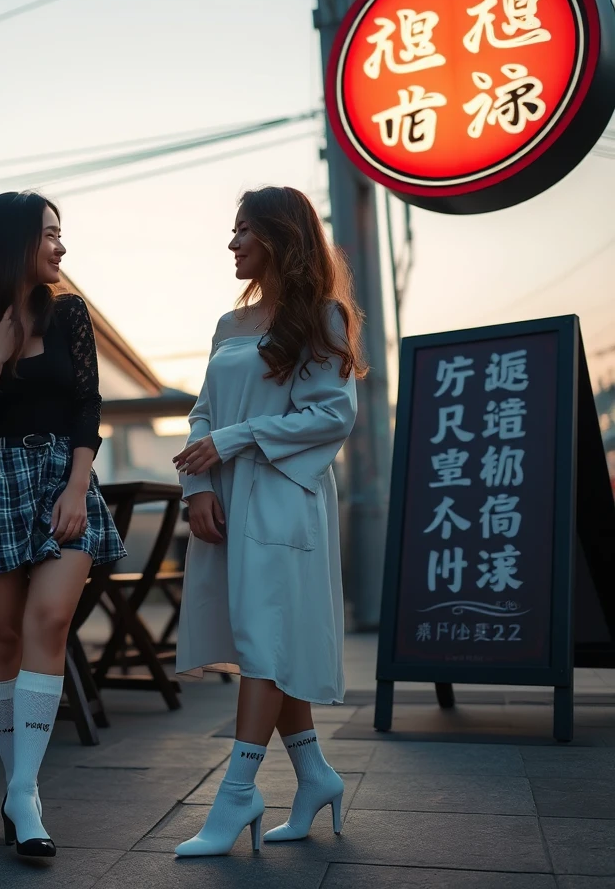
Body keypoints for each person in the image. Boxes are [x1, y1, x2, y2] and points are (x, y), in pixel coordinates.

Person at [170, 186, 365, 857]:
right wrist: (197, 484)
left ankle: (236, 795)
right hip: (225, 501)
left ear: (280, 237)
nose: (233, 243)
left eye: (244, 230)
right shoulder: (231, 325)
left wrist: (237, 439)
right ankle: (314, 777)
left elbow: (332, 414)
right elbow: (202, 413)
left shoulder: (323, 317)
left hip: (283, 497)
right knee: (266, 640)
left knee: (263, 639)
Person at [0, 190, 124, 859]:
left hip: (59, 477)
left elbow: (86, 406)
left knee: (48, 621)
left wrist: (77, 487)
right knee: (2, 636)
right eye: (48, 234)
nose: (60, 246)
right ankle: (23, 791)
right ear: (13, 242)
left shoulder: (69, 314)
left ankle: (22, 791)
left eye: (60, 233)